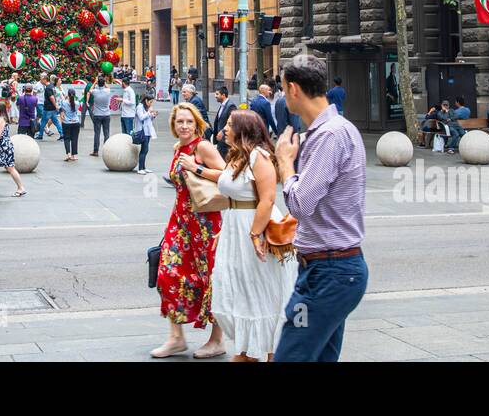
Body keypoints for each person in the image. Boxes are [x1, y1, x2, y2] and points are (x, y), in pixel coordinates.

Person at [274, 54, 368, 363]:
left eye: (283, 87)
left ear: (294, 89)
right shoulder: (332, 131)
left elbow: (301, 204)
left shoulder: (330, 136)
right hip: (330, 272)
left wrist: (286, 164)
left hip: (329, 274)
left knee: (292, 353)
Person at [188, 108, 297, 362]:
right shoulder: (238, 155)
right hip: (235, 226)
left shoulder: (259, 156)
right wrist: (198, 170)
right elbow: (227, 179)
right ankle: (248, 350)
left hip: (253, 225)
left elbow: (268, 197)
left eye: (229, 124)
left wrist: (255, 234)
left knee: (259, 288)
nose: (225, 128)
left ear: (243, 131)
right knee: (238, 286)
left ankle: (264, 352)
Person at [151, 102, 226, 359]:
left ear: (197, 124)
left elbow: (227, 175)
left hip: (205, 224)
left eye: (188, 122)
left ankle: (217, 339)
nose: (184, 126)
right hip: (180, 222)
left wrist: (197, 168)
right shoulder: (178, 148)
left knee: (210, 278)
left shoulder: (202, 147)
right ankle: (176, 338)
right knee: (168, 274)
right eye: (179, 122)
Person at [133, 92, 157, 174]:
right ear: (146, 100)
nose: (151, 104)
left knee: (145, 150)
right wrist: (149, 112)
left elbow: (148, 119)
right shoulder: (140, 107)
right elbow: (141, 117)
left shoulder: (146, 107)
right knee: (144, 150)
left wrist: (153, 115)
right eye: (150, 102)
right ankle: (140, 168)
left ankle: (143, 167)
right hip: (142, 131)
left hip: (147, 131)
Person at [88, 76, 112, 155]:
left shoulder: (95, 91)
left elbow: (90, 90)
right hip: (106, 114)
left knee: (97, 133)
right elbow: (108, 87)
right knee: (106, 133)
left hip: (97, 115)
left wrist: (95, 82)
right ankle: (107, 150)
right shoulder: (107, 91)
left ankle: (96, 151)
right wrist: (104, 82)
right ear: (104, 83)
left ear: (98, 84)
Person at [210, 85, 235, 158]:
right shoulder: (223, 105)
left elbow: (233, 123)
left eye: (217, 94)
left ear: (223, 95)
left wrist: (223, 131)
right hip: (221, 141)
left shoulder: (231, 106)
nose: (215, 96)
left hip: (225, 142)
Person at [60, 88, 82, 161]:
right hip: (76, 122)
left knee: (66, 138)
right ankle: (74, 155)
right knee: (74, 139)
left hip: (66, 122)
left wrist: (66, 98)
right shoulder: (77, 103)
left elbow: (61, 108)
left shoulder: (64, 102)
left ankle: (68, 154)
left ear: (68, 94)